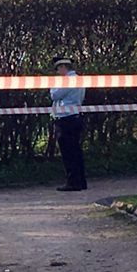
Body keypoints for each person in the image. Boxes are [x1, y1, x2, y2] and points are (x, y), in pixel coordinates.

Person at [50, 55, 87, 192]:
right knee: (76, 151)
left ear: (63, 67)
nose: (57, 72)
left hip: (66, 118)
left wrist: (53, 86)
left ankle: (72, 182)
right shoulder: (79, 79)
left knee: (68, 152)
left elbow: (54, 95)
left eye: (58, 69)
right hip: (76, 116)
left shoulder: (67, 81)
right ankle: (81, 181)